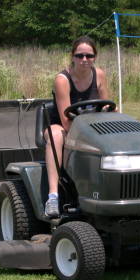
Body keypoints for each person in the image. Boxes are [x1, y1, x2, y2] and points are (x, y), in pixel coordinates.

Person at [44, 36, 113, 217]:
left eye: (89, 56)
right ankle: (52, 196)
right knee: (56, 135)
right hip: (62, 125)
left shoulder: (99, 75)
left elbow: (107, 106)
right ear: (72, 57)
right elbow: (66, 120)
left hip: (92, 126)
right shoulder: (62, 79)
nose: (84, 60)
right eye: (80, 55)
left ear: (95, 57)